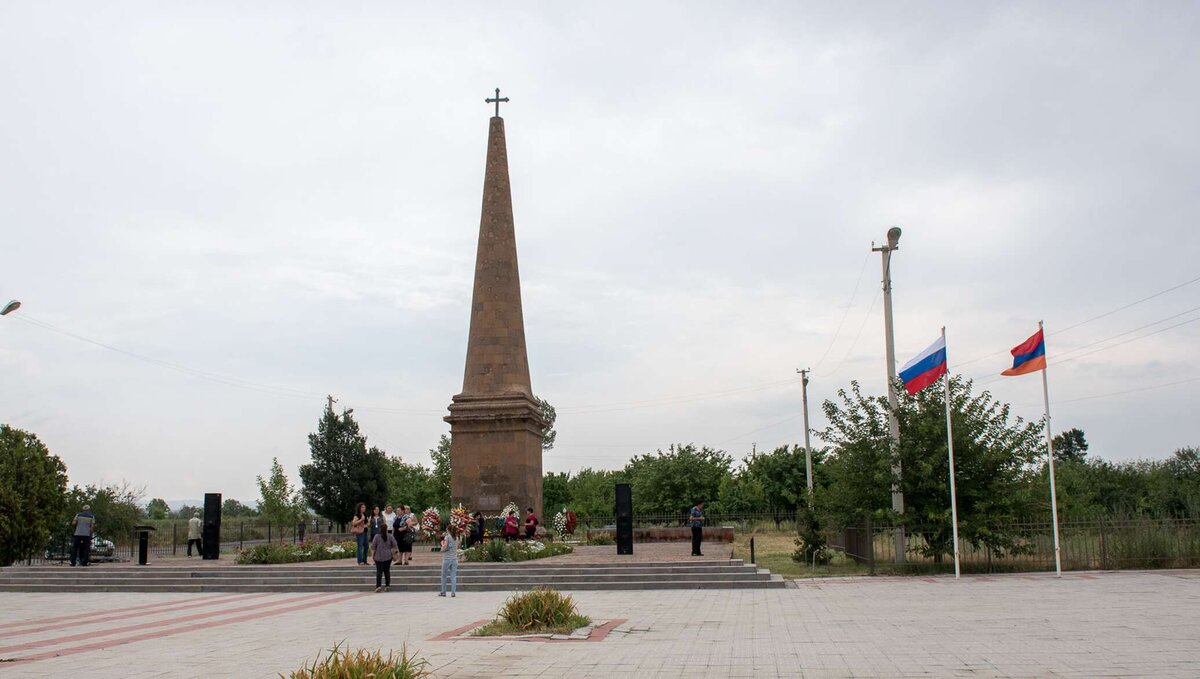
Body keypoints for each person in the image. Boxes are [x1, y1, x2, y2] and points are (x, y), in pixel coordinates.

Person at [370, 525, 400, 593]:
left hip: (378, 556)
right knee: (387, 571)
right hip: (388, 556)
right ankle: (387, 586)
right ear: (387, 529)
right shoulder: (390, 536)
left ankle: (378, 586)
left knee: (379, 572)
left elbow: (373, 547)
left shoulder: (377, 536)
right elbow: (395, 544)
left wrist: (372, 556)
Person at [439, 527, 460, 597]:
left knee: (444, 575)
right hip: (454, 558)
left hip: (447, 558)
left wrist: (442, 544)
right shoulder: (456, 538)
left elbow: (445, 547)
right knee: (453, 576)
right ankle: (453, 592)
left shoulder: (447, 537)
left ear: (448, 530)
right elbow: (457, 548)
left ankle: (443, 592)